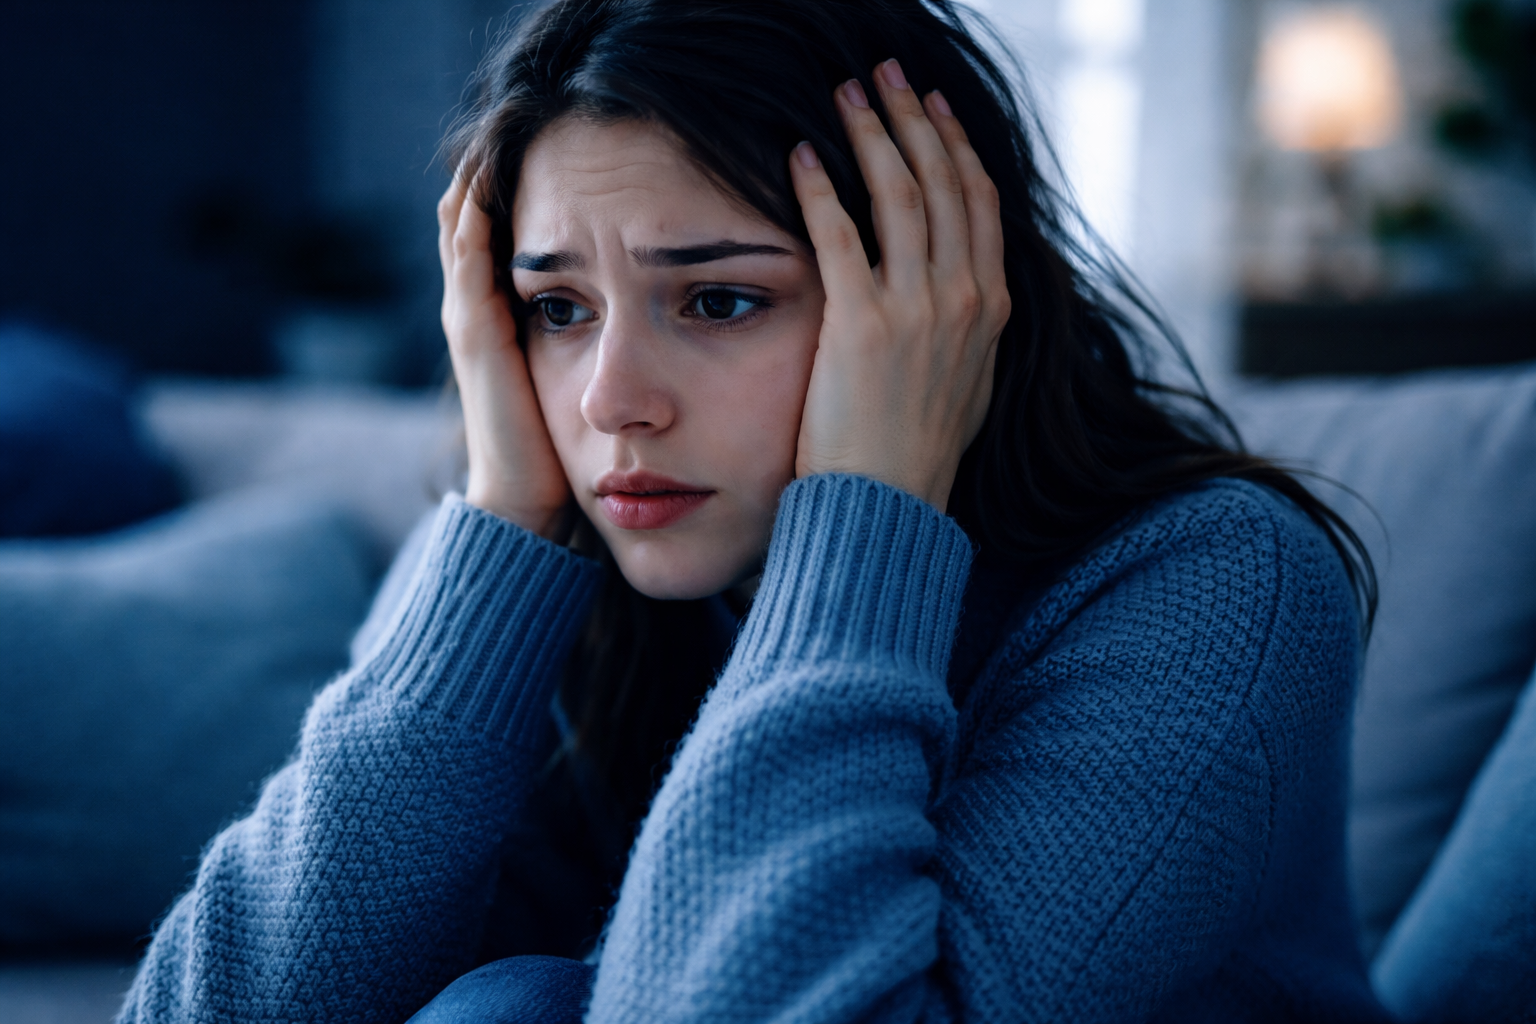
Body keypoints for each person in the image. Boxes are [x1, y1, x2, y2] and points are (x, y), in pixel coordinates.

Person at [117, 0, 1392, 1020]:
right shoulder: (554, 538)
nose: (613, 399)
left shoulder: (1219, 581)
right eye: (558, 310)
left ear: (940, 302)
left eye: (720, 300)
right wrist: (500, 524)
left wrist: (865, 520)